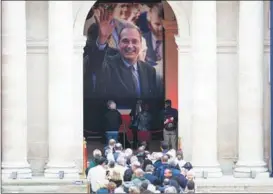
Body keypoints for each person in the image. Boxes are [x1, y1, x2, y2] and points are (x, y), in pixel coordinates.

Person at [85, 11, 159, 100]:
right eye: (125, 41)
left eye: (135, 41)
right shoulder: (108, 65)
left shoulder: (149, 71)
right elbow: (96, 64)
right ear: (119, 44)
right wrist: (102, 39)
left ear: (140, 44)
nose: (130, 46)